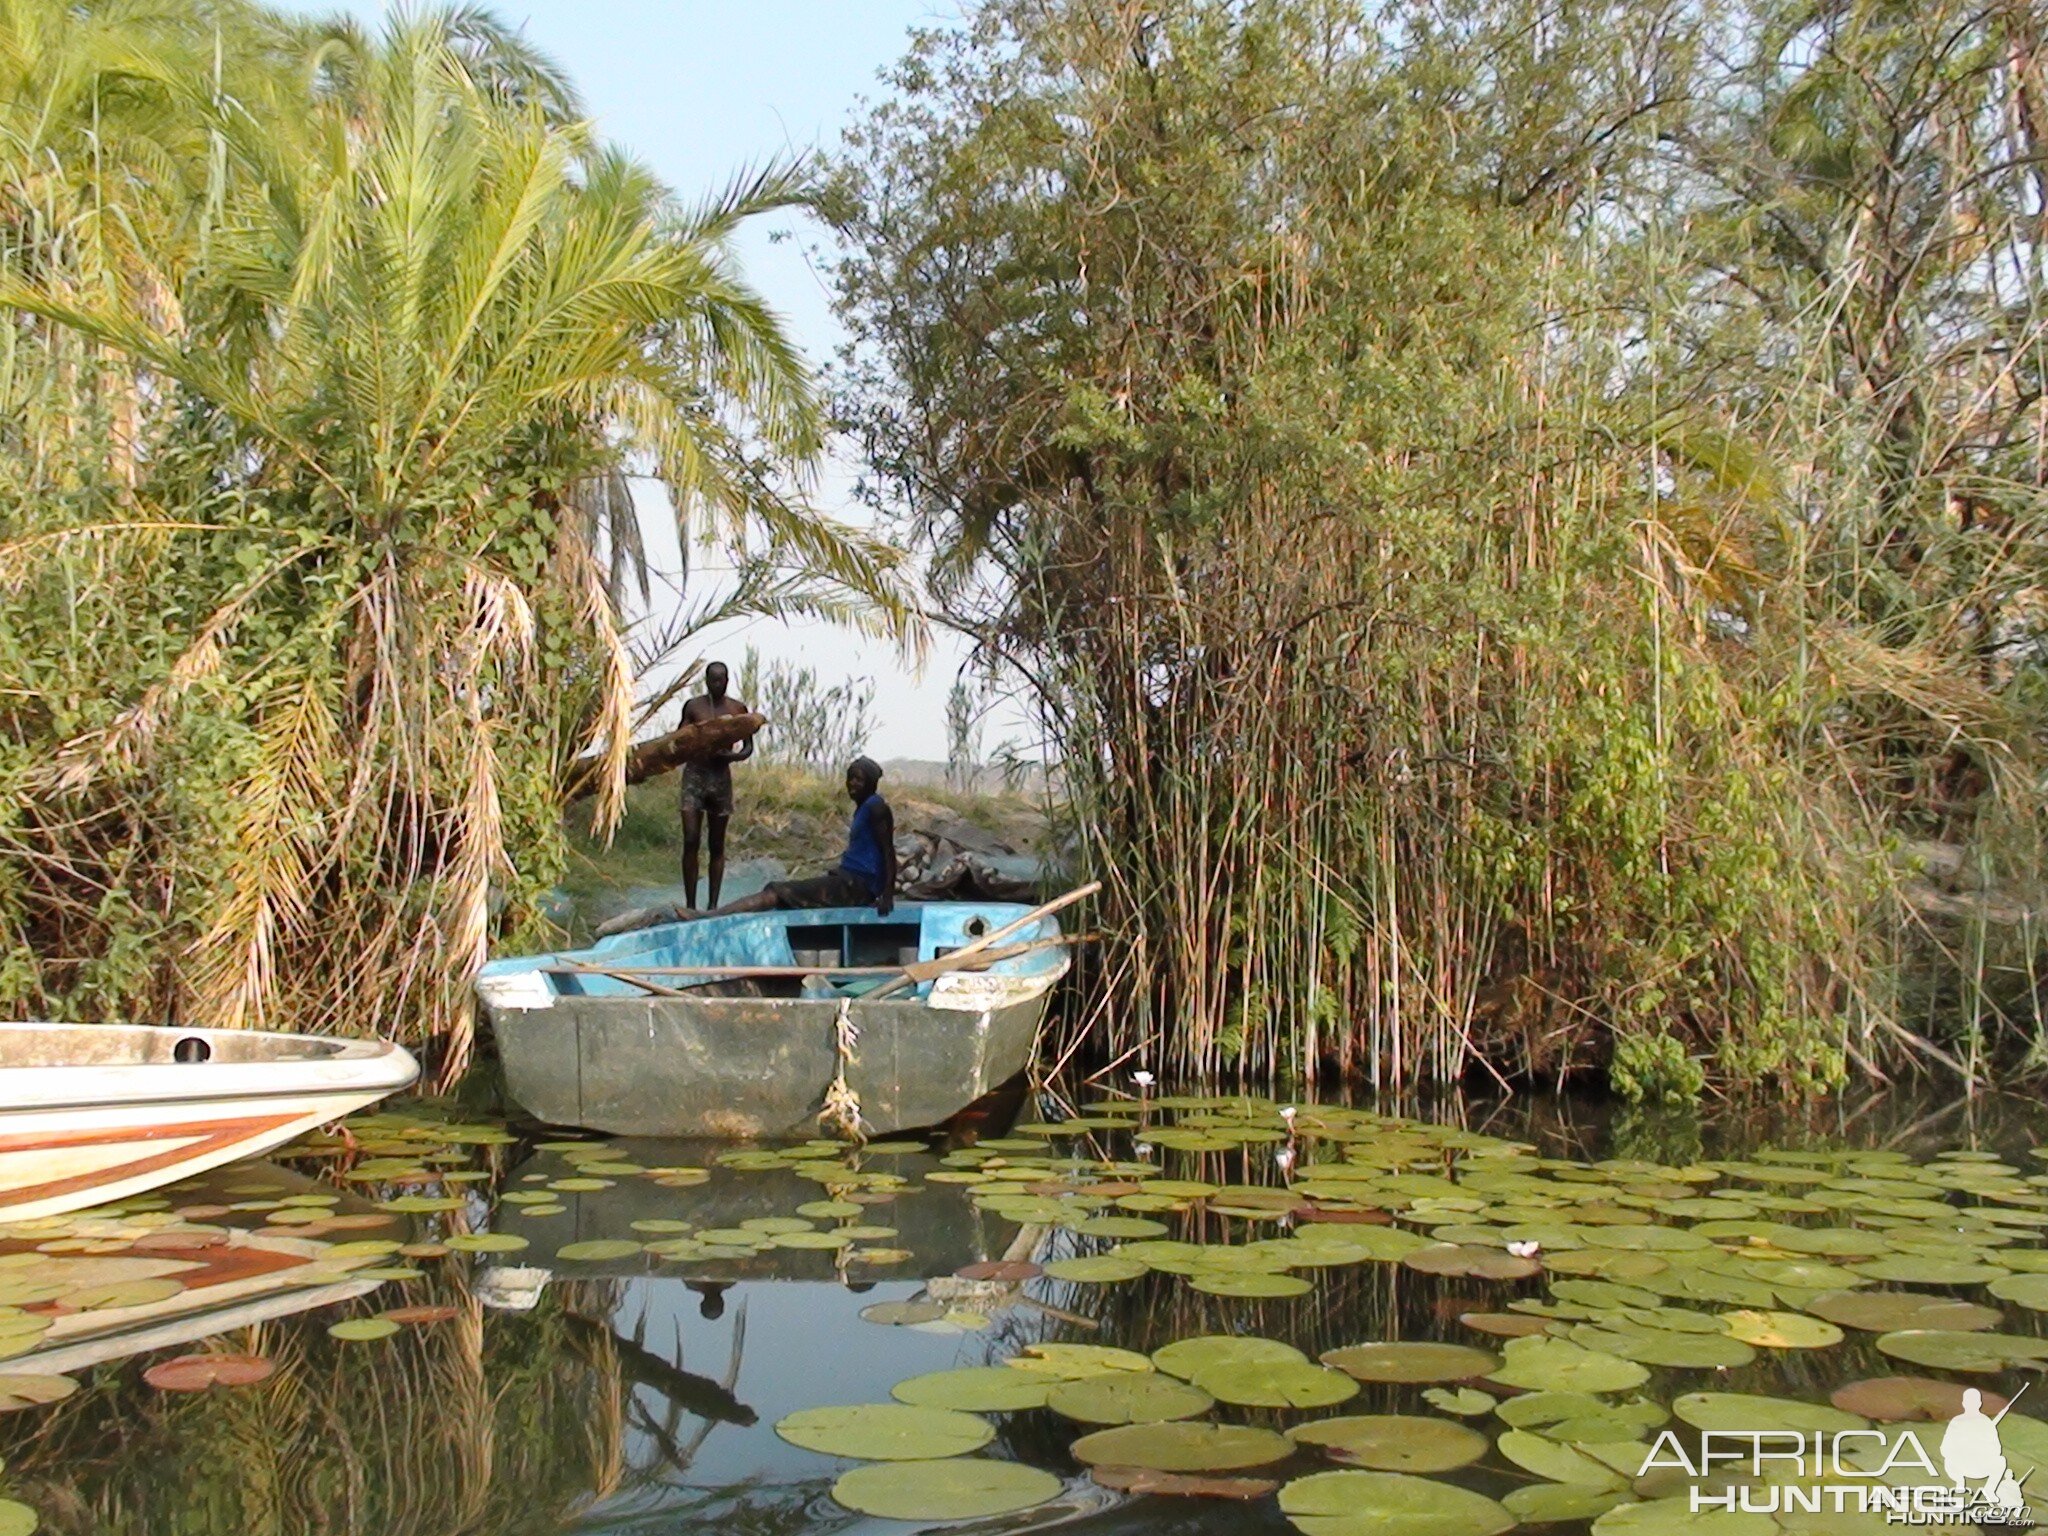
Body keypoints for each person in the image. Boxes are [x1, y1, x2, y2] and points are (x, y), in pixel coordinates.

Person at [598, 757, 895, 935]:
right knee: (778, 890)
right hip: (848, 879)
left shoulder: (876, 807)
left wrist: (886, 896)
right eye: (849, 778)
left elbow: (888, 852)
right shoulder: (864, 808)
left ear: (871, 783)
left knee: (777, 892)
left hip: (856, 886)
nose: (851, 784)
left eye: (858, 779)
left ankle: (710, 916)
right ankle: (714, 913)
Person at [676, 661, 753, 909]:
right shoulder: (694, 706)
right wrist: (696, 743)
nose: (717, 684)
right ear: (706, 681)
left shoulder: (737, 708)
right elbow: (679, 739)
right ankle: (690, 904)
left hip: (720, 777)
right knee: (691, 839)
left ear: (728, 680)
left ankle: (712, 906)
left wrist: (730, 757)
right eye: (712, 680)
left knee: (716, 844)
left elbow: (748, 747)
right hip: (695, 774)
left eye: (721, 680)